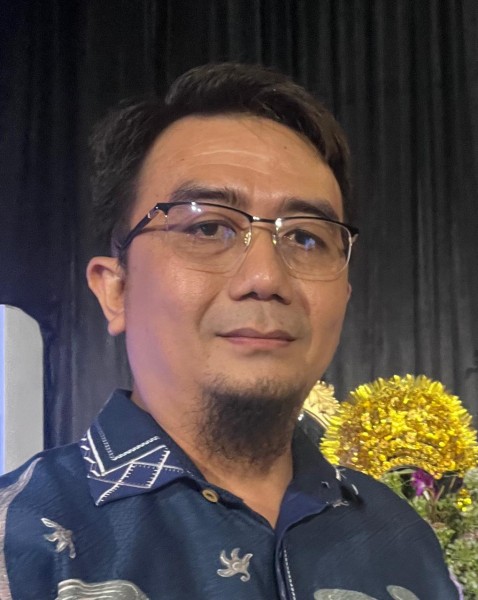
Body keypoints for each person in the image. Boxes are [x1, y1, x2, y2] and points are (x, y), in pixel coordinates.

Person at [0, 63, 458, 600]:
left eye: (306, 238)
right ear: (115, 289)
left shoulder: (405, 539)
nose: (266, 278)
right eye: (208, 227)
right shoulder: (18, 539)